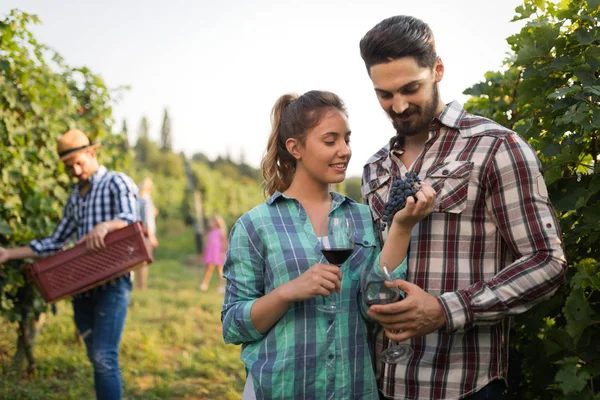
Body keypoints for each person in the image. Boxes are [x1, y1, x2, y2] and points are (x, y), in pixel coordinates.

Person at [358, 16, 567, 400]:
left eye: (410, 88)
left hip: (465, 386)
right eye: (384, 94)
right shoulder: (375, 167)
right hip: (384, 384)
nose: (398, 105)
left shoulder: (496, 146)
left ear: (437, 70)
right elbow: (375, 269)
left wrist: (447, 309)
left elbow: (547, 261)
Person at [220, 90, 436, 399]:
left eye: (347, 139)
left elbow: (374, 303)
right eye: (330, 140)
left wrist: (401, 228)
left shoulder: (361, 217)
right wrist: (286, 293)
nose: (344, 150)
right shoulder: (255, 225)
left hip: (352, 388)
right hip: (281, 389)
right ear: (295, 148)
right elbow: (233, 326)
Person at [0, 129, 138, 400]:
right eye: (68, 166)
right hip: (82, 285)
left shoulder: (116, 182)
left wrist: (106, 226)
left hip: (114, 282)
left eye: (79, 162)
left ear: (92, 153)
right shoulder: (76, 197)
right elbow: (55, 241)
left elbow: (132, 218)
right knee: (95, 355)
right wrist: (8, 254)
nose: (74, 170)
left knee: (103, 356)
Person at [135, 177, 158, 290]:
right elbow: (148, 220)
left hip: (137, 234)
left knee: (137, 262)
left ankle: (137, 285)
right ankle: (142, 286)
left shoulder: (137, 199)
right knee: (144, 262)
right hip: (146, 235)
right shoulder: (147, 201)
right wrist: (152, 236)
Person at [199, 215, 227, 293]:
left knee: (219, 270)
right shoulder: (210, 232)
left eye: (212, 221)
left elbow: (224, 242)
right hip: (210, 253)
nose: (209, 223)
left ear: (216, 223)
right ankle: (205, 284)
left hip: (217, 253)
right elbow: (207, 243)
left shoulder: (221, 231)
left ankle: (221, 286)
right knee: (208, 268)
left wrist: (223, 252)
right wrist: (204, 253)